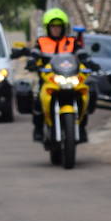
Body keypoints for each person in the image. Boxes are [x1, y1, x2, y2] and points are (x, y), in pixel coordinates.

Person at [23, 7, 94, 143]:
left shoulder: (72, 42)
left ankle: (82, 128)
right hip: (49, 79)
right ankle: (38, 129)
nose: (56, 29)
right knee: (38, 101)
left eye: (59, 27)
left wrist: (90, 63)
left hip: (69, 77)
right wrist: (31, 62)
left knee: (83, 95)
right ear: (48, 28)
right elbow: (34, 54)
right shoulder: (42, 42)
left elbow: (82, 54)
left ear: (64, 28)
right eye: (53, 27)